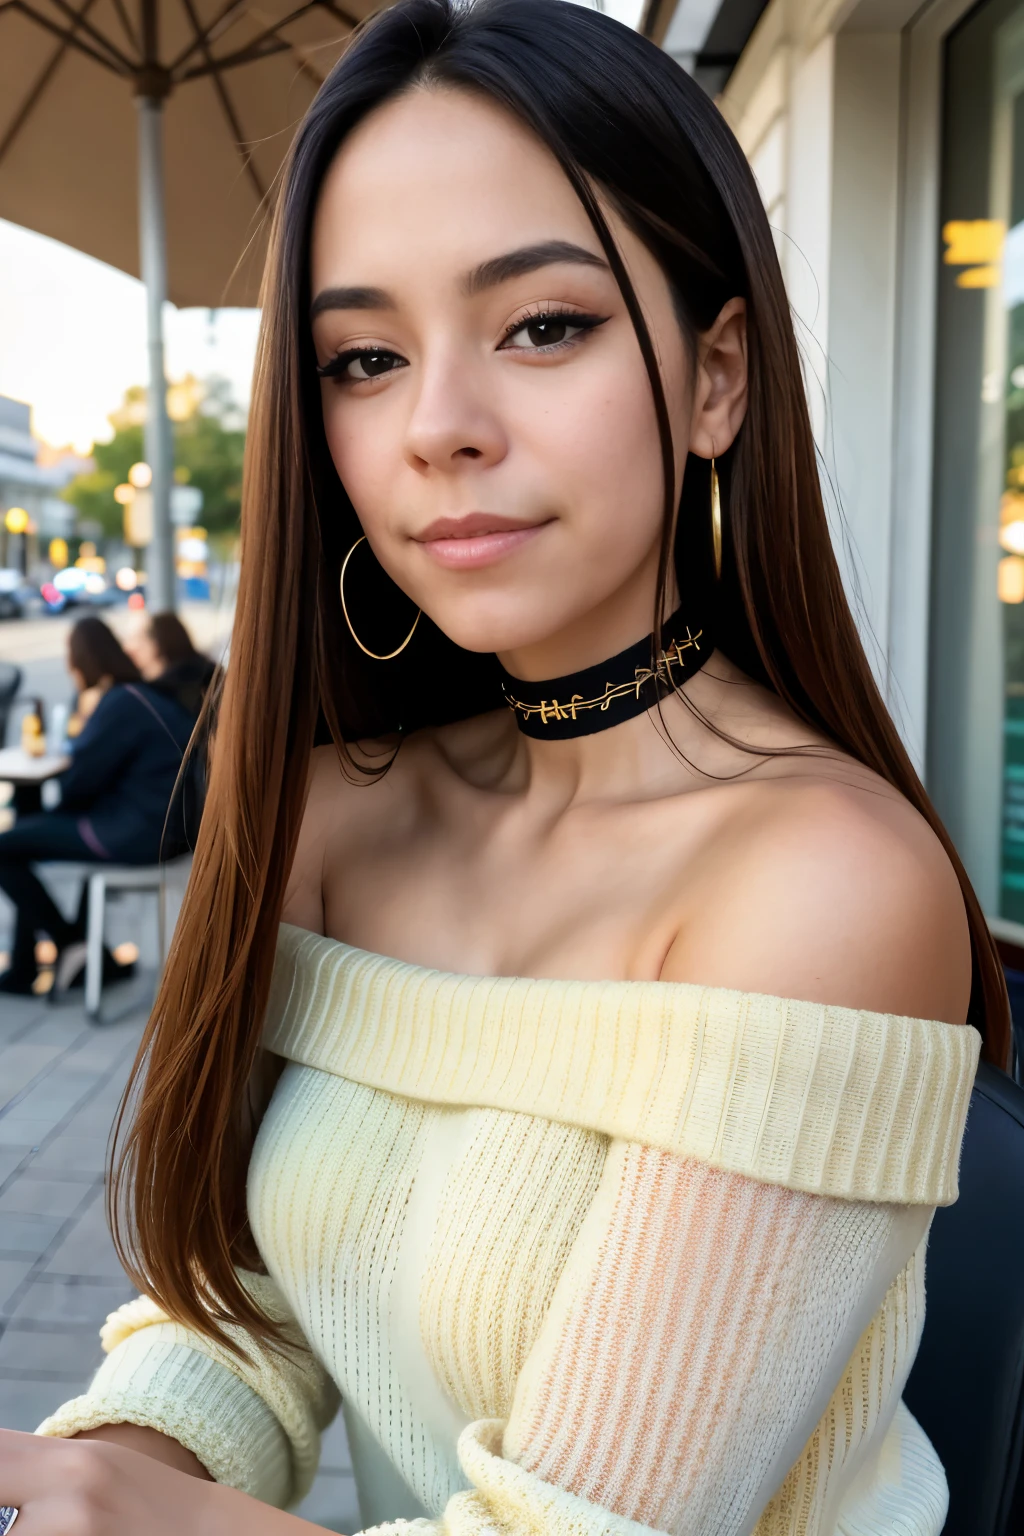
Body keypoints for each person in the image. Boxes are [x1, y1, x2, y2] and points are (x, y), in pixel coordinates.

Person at [2, 2, 1003, 1531]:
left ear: (718, 374)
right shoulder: (344, 811)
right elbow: (241, 1310)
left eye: (544, 325)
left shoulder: (829, 886)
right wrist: (106, 1469)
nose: (438, 427)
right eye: (363, 357)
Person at [0, 616, 194, 995]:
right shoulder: (141, 695)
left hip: (138, 833)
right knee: (27, 831)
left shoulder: (119, 702)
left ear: (81, 662)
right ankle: (84, 958)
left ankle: (71, 945)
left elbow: (78, 784)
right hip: (167, 829)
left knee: (6, 846)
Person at [122, 610, 217, 719]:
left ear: (156, 644)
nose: (130, 647)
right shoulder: (209, 674)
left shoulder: (161, 695)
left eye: (140, 639)